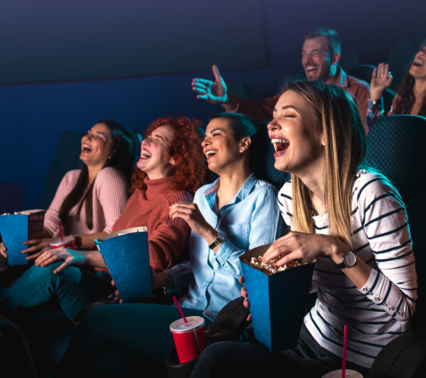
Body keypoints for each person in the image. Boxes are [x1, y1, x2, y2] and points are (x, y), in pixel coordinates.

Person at [190, 80, 417, 378]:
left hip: (360, 359)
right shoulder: (289, 197)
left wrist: (334, 248)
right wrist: (270, 291)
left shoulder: (370, 193)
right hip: (309, 337)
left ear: (325, 132)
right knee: (215, 358)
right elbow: (314, 285)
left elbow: (404, 310)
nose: (271, 124)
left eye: (288, 115)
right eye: (273, 115)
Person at [52, 113, 279, 377]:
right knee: (106, 362)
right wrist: (162, 279)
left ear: (243, 144)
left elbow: (259, 280)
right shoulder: (202, 196)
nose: (206, 142)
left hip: (223, 320)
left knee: (95, 321)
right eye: (205, 137)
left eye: (215, 134)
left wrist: (209, 233)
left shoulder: (264, 196)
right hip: (184, 310)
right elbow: (195, 269)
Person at [0, 117, 208, 323]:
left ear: (176, 158)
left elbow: (154, 259)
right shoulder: (140, 192)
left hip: (124, 295)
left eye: (157, 139)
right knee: (25, 318)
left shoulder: (178, 199)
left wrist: (82, 255)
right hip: (104, 281)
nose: (145, 141)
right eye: (147, 137)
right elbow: (111, 240)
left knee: (55, 272)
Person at [191, 27, 373, 132]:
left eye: (315, 53)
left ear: (334, 58)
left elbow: (364, 137)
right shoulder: (298, 91)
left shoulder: (359, 89)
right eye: (304, 54)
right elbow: (263, 110)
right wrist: (227, 100)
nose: (307, 60)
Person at [0, 120, 133, 261]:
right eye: (89, 133)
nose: (87, 138)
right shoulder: (71, 177)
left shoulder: (111, 175)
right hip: (55, 256)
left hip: (84, 263)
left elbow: (115, 233)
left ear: (113, 151)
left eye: (98, 136)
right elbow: (50, 223)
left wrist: (61, 243)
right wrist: (16, 244)